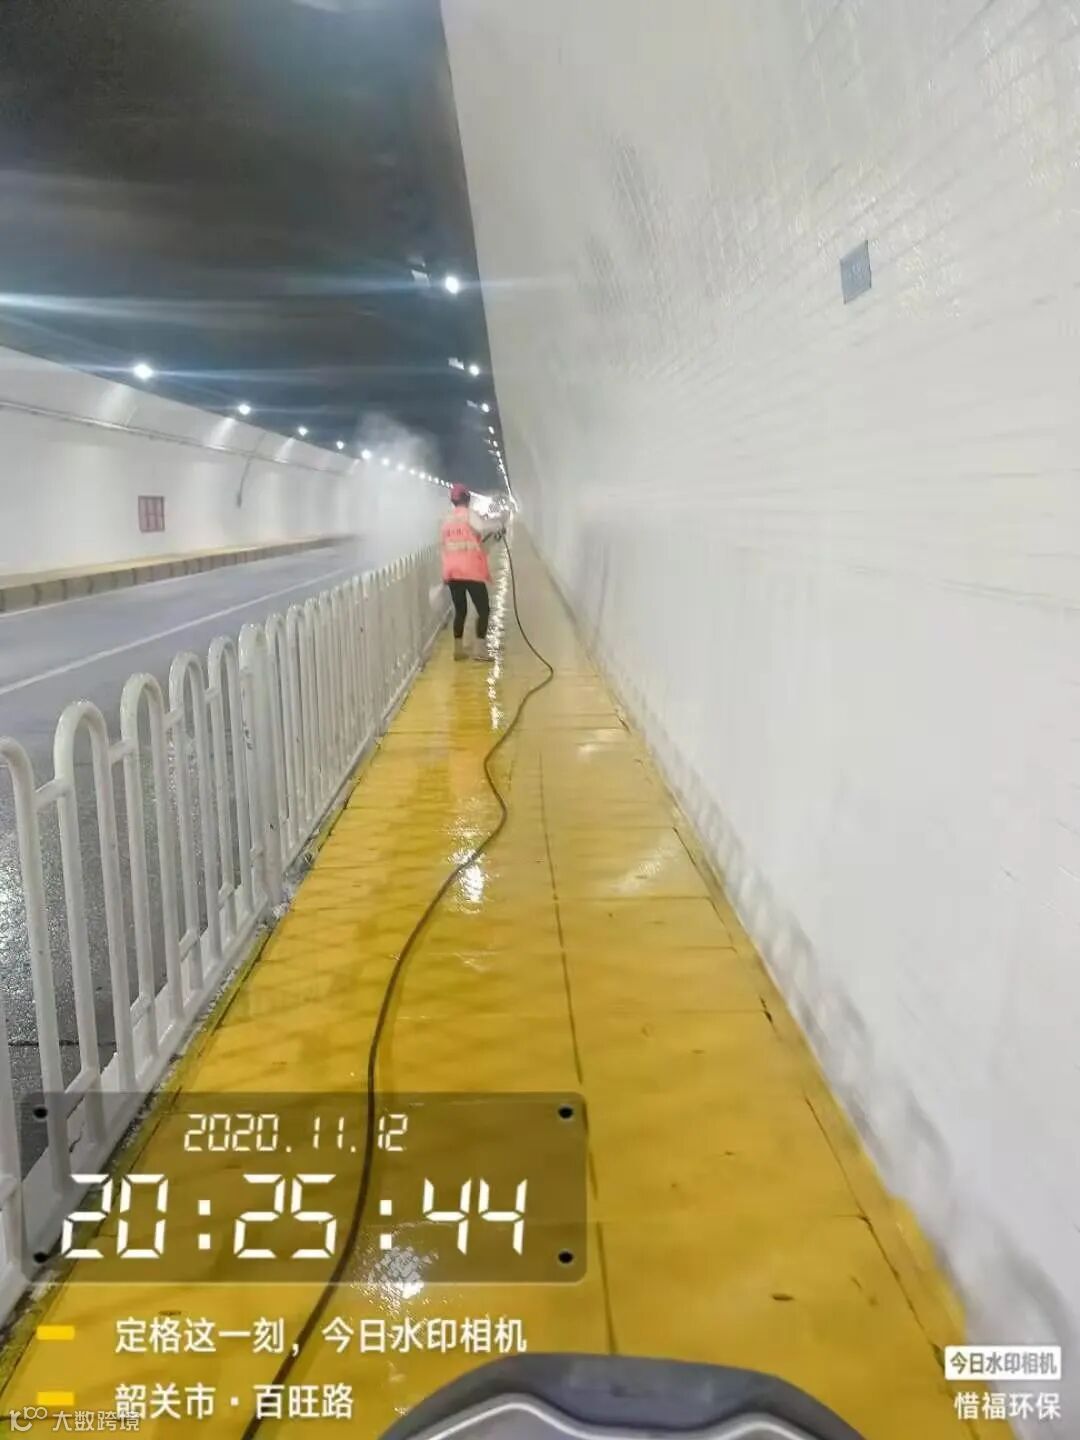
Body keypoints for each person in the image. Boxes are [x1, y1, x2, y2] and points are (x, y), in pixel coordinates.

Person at [440, 483, 499, 661]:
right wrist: (497, 527)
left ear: (452, 501)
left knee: (460, 611)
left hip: (453, 572)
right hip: (471, 570)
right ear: (467, 499)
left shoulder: (447, 519)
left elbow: (444, 546)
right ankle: (479, 650)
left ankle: (458, 650)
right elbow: (483, 529)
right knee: (483, 610)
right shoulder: (469, 515)